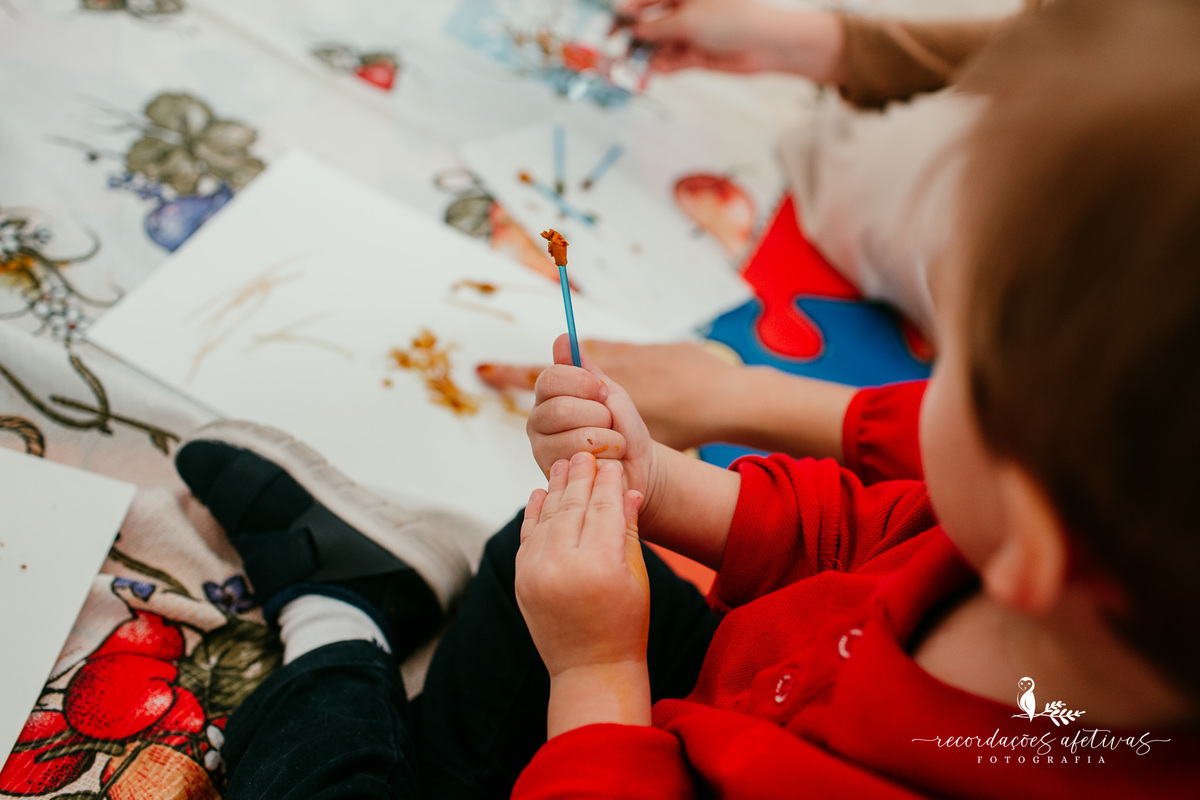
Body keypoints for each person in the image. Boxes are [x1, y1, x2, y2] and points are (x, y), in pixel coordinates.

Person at [177, 1, 1199, 796]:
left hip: (629, 754)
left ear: (1034, 529)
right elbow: (860, 530)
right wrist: (662, 483)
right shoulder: (1027, 549)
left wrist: (597, 674)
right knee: (533, 557)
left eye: (955, 363)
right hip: (725, 687)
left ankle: (337, 626)